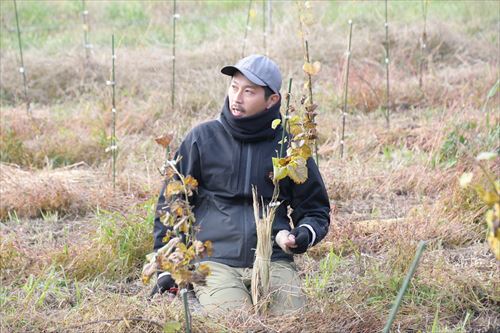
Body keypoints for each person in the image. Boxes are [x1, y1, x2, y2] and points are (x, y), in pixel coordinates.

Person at [151, 54, 330, 315]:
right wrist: (167, 268)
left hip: (274, 259)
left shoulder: (289, 147)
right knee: (236, 320)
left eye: (249, 91)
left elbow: (315, 210)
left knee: (292, 320)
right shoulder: (202, 138)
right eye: (234, 87)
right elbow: (172, 206)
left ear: (272, 100)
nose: (237, 97)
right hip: (215, 261)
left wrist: (302, 234)